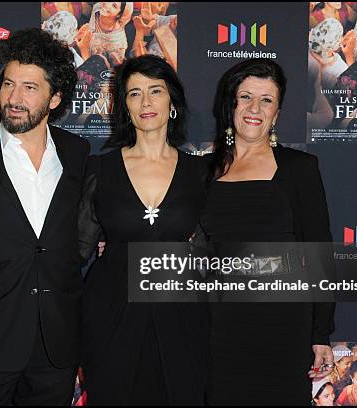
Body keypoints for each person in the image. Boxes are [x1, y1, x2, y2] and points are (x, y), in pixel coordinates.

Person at [0, 28, 89, 405]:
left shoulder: (78, 153)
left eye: (29, 87)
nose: (14, 97)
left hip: (57, 344)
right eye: (8, 84)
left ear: (55, 98)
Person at [200, 58, 336, 404]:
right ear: (230, 103)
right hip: (218, 326)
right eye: (245, 97)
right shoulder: (201, 171)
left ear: (277, 112)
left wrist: (321, 334)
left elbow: (319, 251)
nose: (254, 109)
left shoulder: (299, 168)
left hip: (283, 325)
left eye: (266, 100)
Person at [78, 54, 209, 404]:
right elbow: (76, 251)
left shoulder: (200, 172)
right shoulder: (99, 169)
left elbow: (210, 253)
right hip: (110, 316)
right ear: (124, 105)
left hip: (182, 319)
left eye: (155, 91)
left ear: (172, 102)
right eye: (134, 93)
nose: (146, 102)